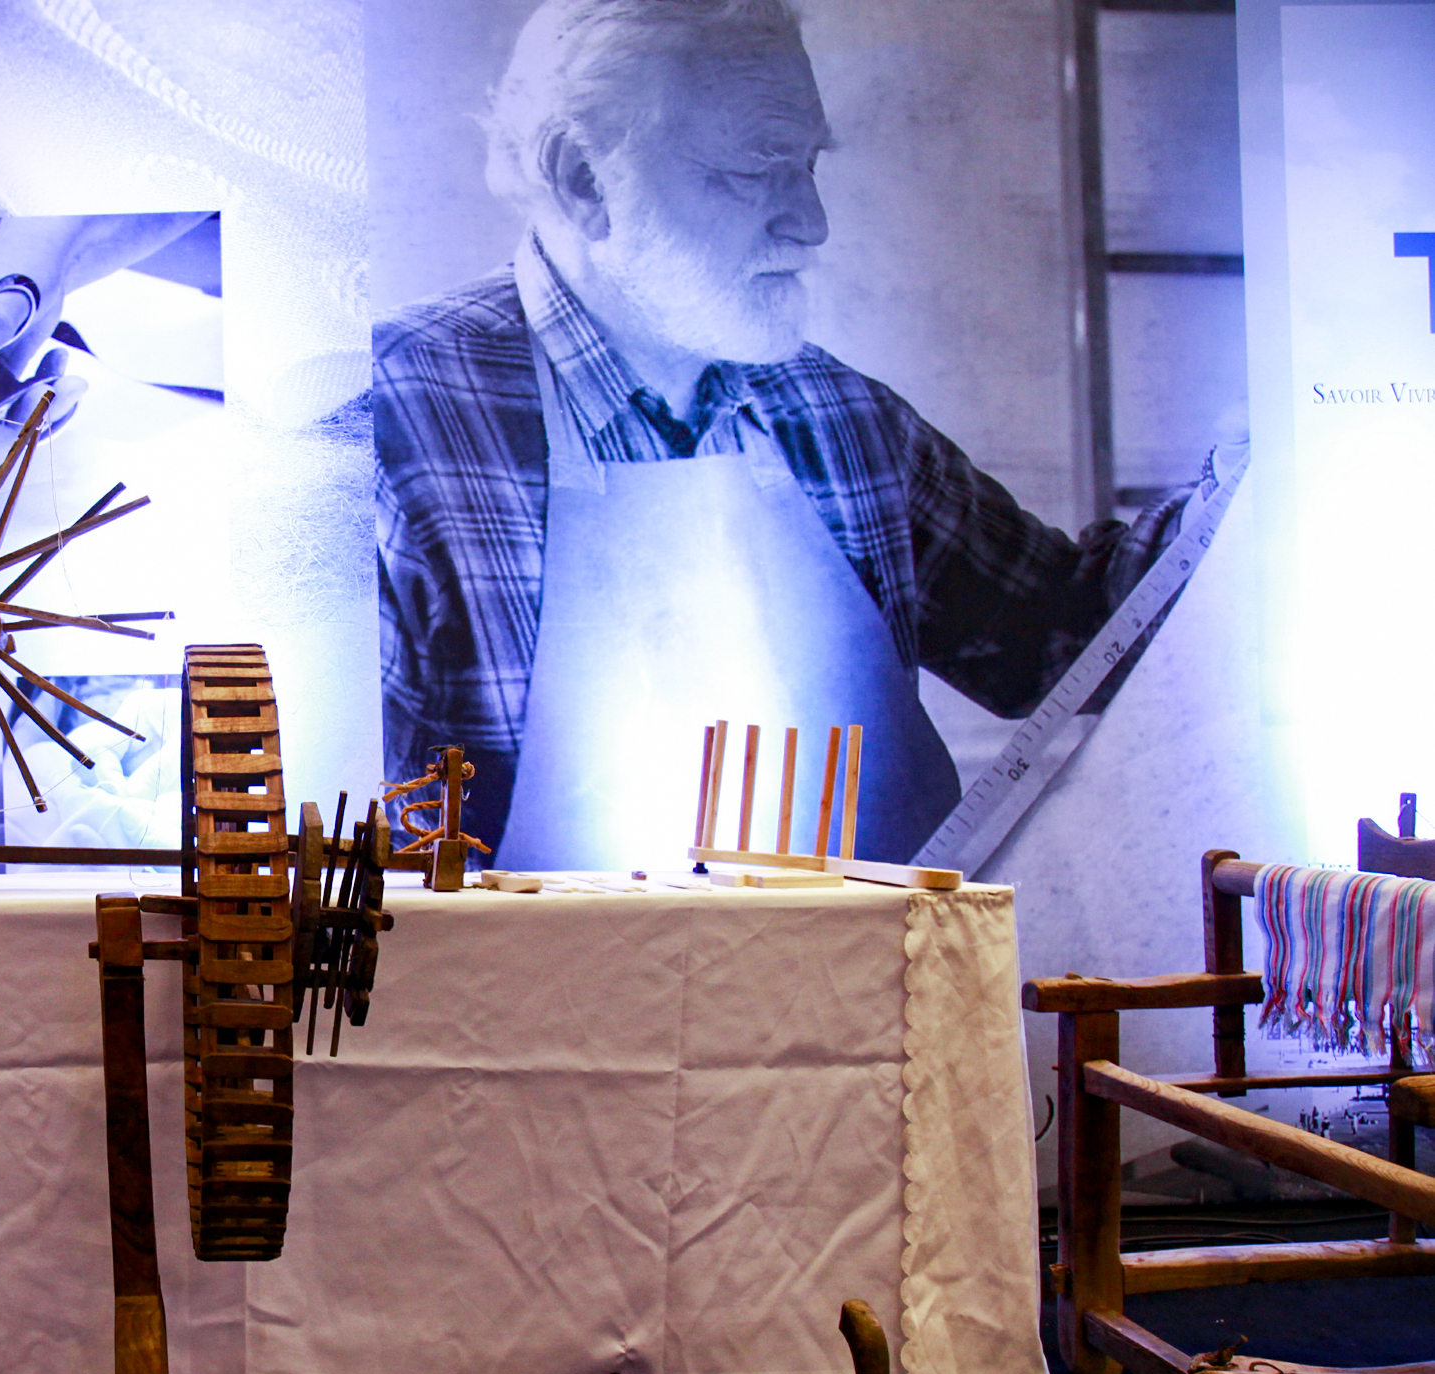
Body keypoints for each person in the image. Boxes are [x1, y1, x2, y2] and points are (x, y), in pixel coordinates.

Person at [376, 0, 1188, 865]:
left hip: (860, 961)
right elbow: (341, 870)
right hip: (546, 966)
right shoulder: (396, 421)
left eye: (807, 164)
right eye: (756, 168)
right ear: (584, 179)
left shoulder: (837, 416)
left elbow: (1063, 635)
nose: (811, 222)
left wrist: (1256, 473)